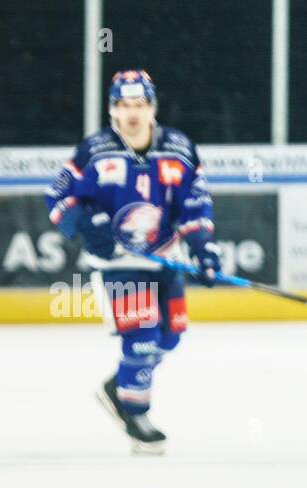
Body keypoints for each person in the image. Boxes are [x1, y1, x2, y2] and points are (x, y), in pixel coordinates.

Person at [45, 70, 219, 453]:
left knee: (169, 338)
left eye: (139, 105)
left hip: (165, 261)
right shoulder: (94, 151)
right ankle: (135, 413)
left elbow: (195, 203)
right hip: (118, 266)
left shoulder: (179, 148)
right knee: (142, 339)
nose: (132, 113)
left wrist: (203, 247)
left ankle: (118, 385)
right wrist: (89, 223)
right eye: (124, 105)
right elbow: (57, 198)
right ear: (112, 111)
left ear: (152, 108)